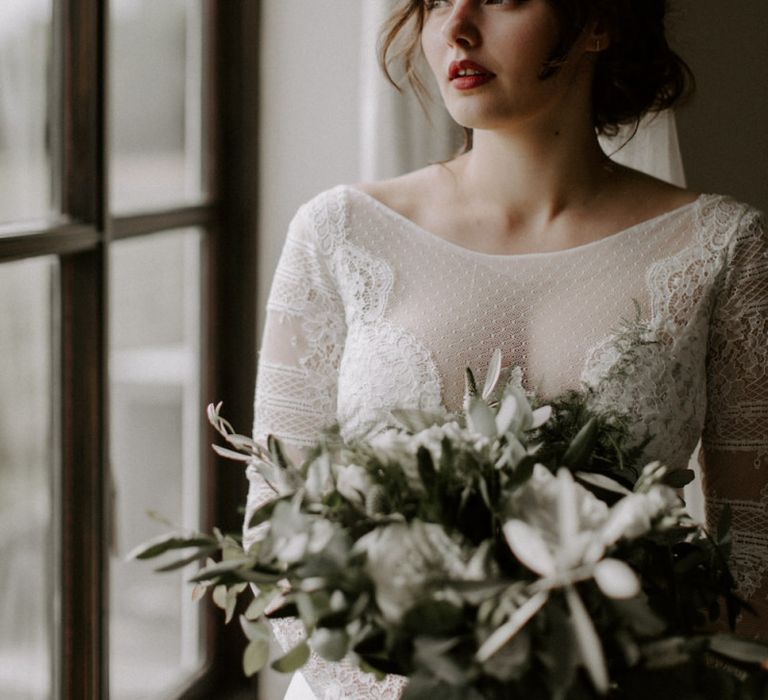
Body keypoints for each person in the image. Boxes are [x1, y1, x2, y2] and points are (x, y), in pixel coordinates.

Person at [245, 1, 768, 697]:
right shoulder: (339, 233)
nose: (456, 27)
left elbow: (754, 550)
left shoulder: (722, 248)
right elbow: (276, 519)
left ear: (597, 21)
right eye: (434, 2)